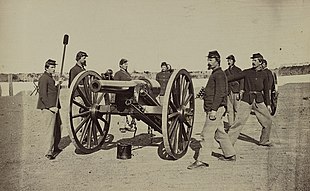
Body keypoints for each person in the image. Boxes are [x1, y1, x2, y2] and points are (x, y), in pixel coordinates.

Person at [188, 50, 236, 170]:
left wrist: (214, 110)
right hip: (215, 108)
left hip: (215, 109)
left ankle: (202, 161)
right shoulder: (216, 73)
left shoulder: (219, 74)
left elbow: (220, 93)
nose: (208, 62)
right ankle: (230, 154)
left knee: (206, 134)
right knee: (219, 132)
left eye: (211, 60)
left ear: (217, 60)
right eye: (208, 59)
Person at [227, 53, 273, 147]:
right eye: (252, 60)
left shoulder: (264, 74)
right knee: (238, 122)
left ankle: (264, 140)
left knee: (268, 121)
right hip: (246, 100)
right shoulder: (247, 72)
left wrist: (268, 104)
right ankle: (228, 144)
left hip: (259, 101)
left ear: (260, 62)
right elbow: (233, 77)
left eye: (255, 60)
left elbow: (266, 90)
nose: (253, 62)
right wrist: (222, 79)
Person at [37, 59, 62, 160]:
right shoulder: (44, 78)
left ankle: (55, 147)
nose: (54, 68)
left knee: (58, 128)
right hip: (49, 108)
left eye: (54, 67)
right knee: (50, 130)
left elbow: (52, 91)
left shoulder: (50, 78)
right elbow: (42, 95)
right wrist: (50, 107)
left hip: (55, 107)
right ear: (46, 68)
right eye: (51, 67)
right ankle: (49, 152)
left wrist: (58, 84)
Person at [114, 58, 136, 132]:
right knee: (122, 111)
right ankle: (122, 126)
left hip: (128, 95)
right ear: (120, 65)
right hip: (121, 95)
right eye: (124, 64)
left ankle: (128, 125)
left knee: (128, 110)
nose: (126, 65)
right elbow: (116, 84)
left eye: (127, 64)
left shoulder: (127, 74)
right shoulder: (118, 74)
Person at [224, 55, 243, 129]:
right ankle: (231, 126)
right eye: (228, 60)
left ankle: (236, 127)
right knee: (229, 110)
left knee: (237, 109)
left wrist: (241, 91)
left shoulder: (238, 70)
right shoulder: (225, 71)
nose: (229, 62)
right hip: (229, 92)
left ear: (233, 61)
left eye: (230, 60)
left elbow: (242, 81)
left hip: (236, 92)